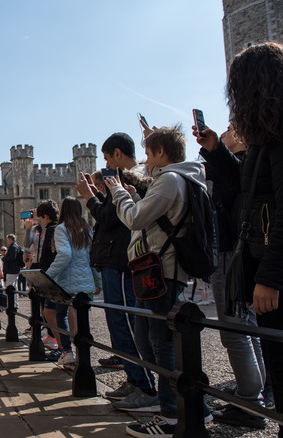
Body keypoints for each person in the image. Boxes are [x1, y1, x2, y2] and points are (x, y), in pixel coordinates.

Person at [195, 42, 283, 438]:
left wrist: (272, 276)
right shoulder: (270, 135)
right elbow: (246, 190)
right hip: (278, 257)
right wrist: (218, 153)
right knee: (280, 363)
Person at [105, 125, 206, 437]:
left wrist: (119, 192)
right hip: (153, 270)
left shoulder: (170, 180)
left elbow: (135, 219)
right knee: (149, 342)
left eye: (148, 153)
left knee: (161, 347)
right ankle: (175, 407)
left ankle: (173, 415)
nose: (145, 160)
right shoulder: (170, 181)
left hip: (162, 272)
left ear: (161, 153)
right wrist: (136, 196)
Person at [76, 135, 158, 412]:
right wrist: (97, 196)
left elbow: (111, 218)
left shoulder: (131, 179)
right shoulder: (123, 180)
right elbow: (112, 213)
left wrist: (90, 197)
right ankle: (135, 380)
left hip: (124, 261)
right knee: (119, 324)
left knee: (126, 325)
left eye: (108, 158)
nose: (106, 164)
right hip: (114, 260)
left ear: (118, 153)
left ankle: (146, 388)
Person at [196, 123, 267, 429]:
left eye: (230, 128)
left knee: (235, 331)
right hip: (238, 252)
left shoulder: (238, 169)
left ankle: (251, 401)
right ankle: (258, 392)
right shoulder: (243, 167)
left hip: (230, 253)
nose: (224, 130)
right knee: (246, 327)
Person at [44, 197, 100, 370]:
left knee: (61, 314)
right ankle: (84, 356)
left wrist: (48, 275)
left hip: (67, 281)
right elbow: (93, 256)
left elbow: (65, 255)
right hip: (85, 281)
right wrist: (98, 280)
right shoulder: (87, 229)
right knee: (83, 318)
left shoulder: (61, 229)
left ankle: (67, 352)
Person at [32, 199, 63, 361]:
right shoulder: (62, 227)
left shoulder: (51, 230)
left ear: (45, 216)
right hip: (62, 278)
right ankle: (65, 348)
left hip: (53, 279)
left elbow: (47, 257)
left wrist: (39, 280)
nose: (40, 222)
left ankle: (63, 348)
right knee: (59, 313)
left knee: (50, 312)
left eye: (41, 218)